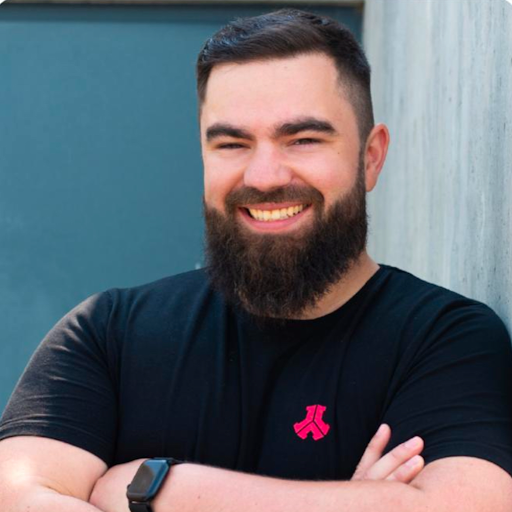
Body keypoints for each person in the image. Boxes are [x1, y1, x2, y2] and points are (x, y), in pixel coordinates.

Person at [1, 8, 512, 512]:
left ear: (370, 156)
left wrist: (158, 491)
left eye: (303, 139)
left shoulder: (444, 339)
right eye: (232, 143)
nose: (264, 177)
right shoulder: (106, 336)